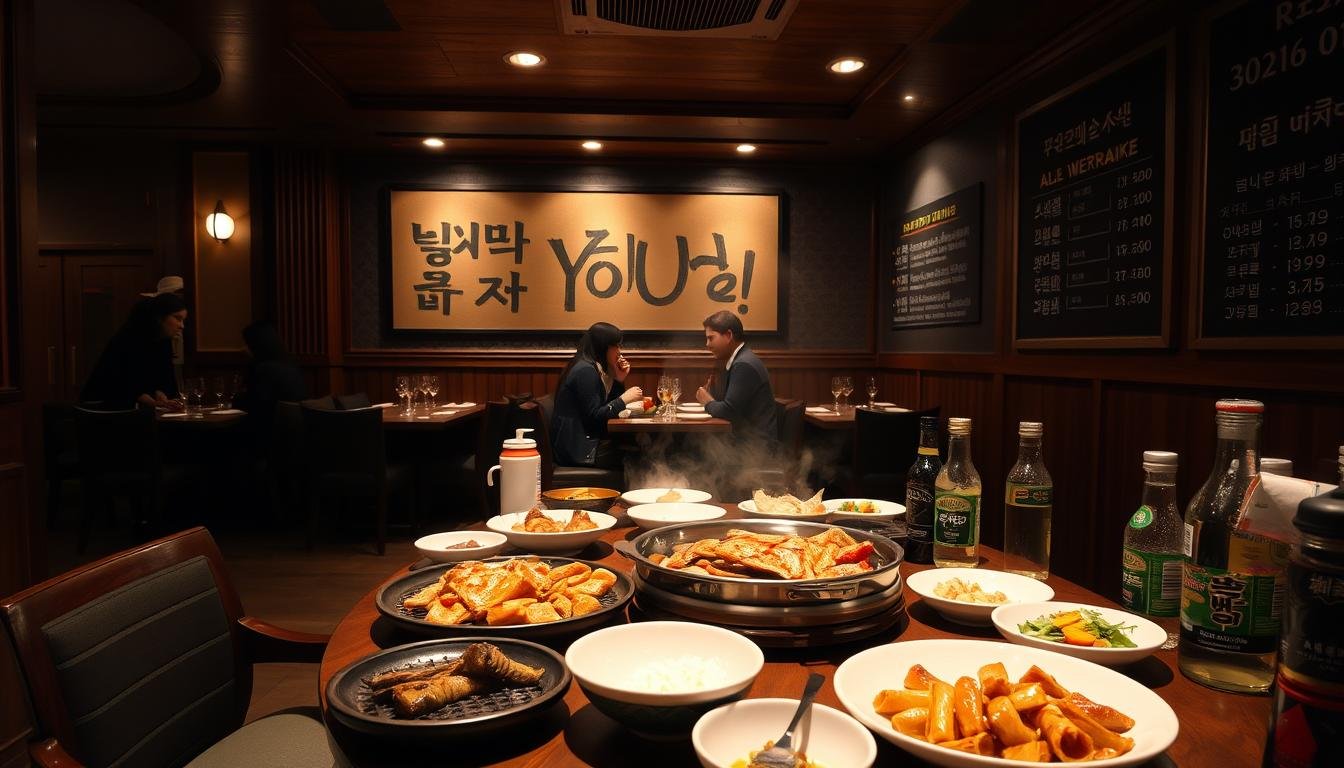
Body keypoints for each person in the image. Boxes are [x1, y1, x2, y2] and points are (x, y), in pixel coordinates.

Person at [551, 322, 643, 467]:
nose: (619, 351)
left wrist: (618, 379)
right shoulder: (585, 371)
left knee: (642, 445)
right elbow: (595, 417)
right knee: (641, 456)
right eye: (615, 346)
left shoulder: (589, 366)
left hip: (586, 443)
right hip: (579, 449)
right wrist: (623, 399)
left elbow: (606, 409)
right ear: (603, 347)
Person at [80, 292, 186, 410]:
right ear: (159, 318)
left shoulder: (163, 342)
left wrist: (160, 393)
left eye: (183, 320)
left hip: (136, 410)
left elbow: (161, 381)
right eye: (177, 318)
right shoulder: (128, 340)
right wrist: (149, 400)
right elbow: (119, 382)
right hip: (105, 411)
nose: (182, 326)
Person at [695, 310, 777, 447]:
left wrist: (707, 401)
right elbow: (730, 405)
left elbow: (728, 411)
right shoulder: (740, 359)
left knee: (690, 447)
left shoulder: (743, 364)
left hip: (756, 447)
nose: (707, 344)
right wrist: (713, 392)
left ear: (728, 335)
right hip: (745, 440)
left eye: (711, 338)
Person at [235, 321, 307, 426]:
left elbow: (256, 406)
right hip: (297, 427)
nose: (244, 348)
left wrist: (252, 362)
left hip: (273, 428)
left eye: (247, 343)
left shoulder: (265, 369)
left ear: (256, 344)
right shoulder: (289, 364)